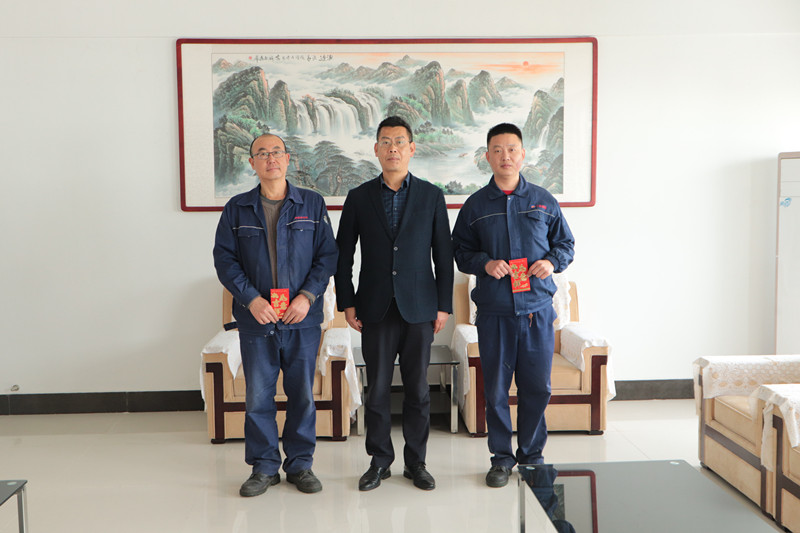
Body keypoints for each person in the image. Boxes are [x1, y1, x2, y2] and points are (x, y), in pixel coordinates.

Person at [213, 133, 338, 497]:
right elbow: (225, 260)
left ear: (288, 158)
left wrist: (307, 297)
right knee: (258, 397)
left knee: (302, 395)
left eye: (276, 152)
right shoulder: (237, 208)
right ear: (252, 162)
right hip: (257, 320)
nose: (271, 158)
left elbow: (327, 256)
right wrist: (251, 299)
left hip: (302, 320)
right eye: (262, 153)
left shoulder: (312, 204)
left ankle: (300, 465)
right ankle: (264, 467)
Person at [452, 123, 574, 488]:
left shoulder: (543, 200)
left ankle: (532, 457)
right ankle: (501, 459)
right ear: (487, 156)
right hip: (495, 313)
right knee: (496, 391)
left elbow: (566, 244)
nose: (505, 156)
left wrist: (551, 262)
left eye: (511, 149)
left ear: (522, 154)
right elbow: (460, 251)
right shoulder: (475, 206)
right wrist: (486, 263)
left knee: (538, 388)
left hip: (537, 311)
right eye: (497, 150)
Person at [335, 116, 454, 491]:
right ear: (376, 149)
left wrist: (443, 305)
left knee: (418, 390)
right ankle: (379, 461)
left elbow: (443, 255)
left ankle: (416, 462)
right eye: (385, 142)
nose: (393, 148)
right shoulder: (358, 197)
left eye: (399, 141)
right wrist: (347, 302)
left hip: (420, 307)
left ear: (411, 148)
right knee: (378, 389)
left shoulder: (431, 196)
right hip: (375, 306)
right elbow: (343, 255)